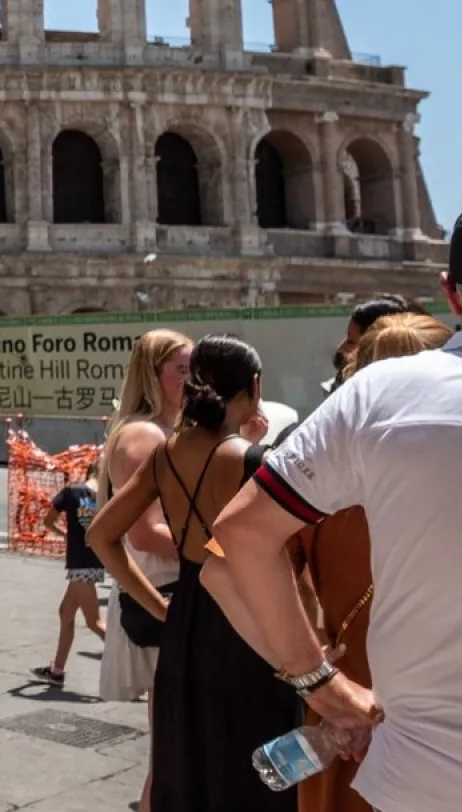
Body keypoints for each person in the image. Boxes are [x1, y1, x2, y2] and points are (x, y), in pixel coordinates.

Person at [214, 194, 462, 812]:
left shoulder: (381, 392)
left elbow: (239, 536)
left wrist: (317, 682)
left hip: (422, 779)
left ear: (451, 292)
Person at [202, 313, 451, 812]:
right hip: (448, 712)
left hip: (349, 713)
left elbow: (220, 571)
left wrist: (313, 676)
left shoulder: (316, 475)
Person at [88, 335, 302, 812]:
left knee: (187, 759)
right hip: (248, 624)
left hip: (185, 620)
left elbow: (101, 537)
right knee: (254, 767)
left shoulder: (168, 454)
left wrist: (159, 606)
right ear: (254, 386)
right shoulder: (253, 460)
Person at [95, 329, 191, 812]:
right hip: (161, 592)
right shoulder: (144, 435)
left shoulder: (168, 431)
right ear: (153, 375)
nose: (192, 378)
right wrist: (221, 546)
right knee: (173, 739)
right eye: (181, 368)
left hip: (164, 590)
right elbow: (143, 532)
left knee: (174, 739)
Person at [31, 462, 107, 687]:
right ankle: (57, 670)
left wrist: (65, 535)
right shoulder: (105, 497)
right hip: (94, 560)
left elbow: (48, 520)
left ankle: (129, 667)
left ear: (89, 472)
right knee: (66, 612)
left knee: (94, 622)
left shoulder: (71, 492)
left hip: (78, 562)